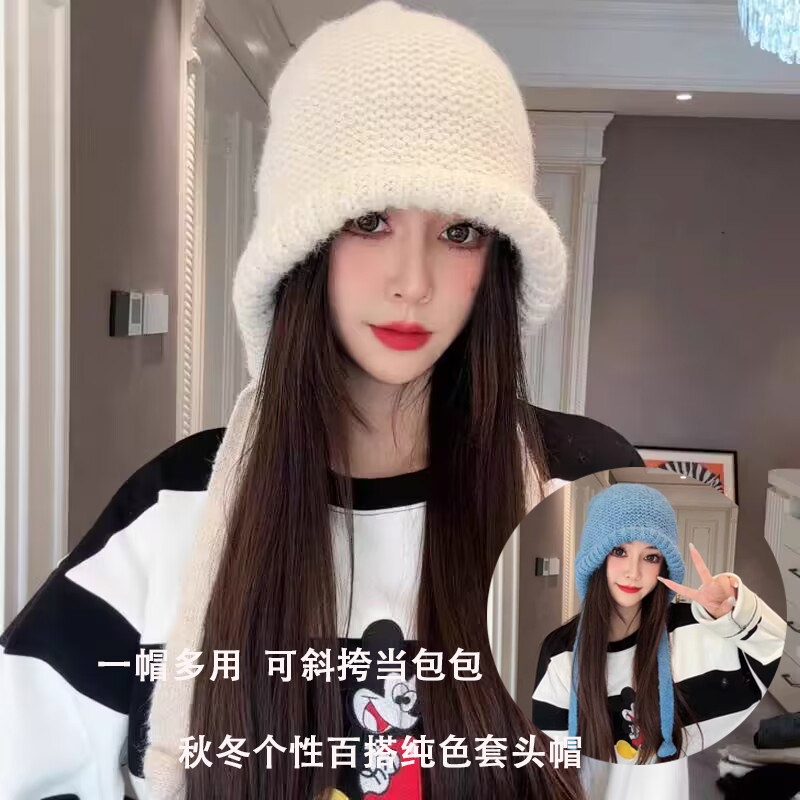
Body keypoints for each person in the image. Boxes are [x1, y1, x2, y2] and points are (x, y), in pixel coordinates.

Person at [0, 3, 644, 799]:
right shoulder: (171, 510)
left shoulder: (587, 496)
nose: (414, 281)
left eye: (460, 232)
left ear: (499, 259)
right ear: (302, 246)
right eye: (370, 220)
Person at [532, 483, 785, 770]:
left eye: (650, 557)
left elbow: (780, 662)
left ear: (664, 566)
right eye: (619, 551)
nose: (634, 572)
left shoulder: (706, 626)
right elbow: (554, 764)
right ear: (595, 559)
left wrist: (738, 614)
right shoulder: (560, 653)